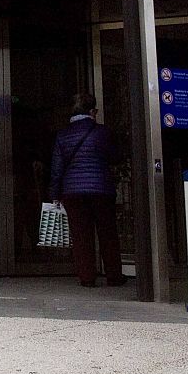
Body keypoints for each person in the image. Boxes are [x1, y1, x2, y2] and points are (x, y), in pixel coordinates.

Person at [49, 92, 126, 288]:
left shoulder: (63, 135)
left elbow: (57, 168)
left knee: (81, 235)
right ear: (93, 111)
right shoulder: (103, 132)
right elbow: (115, 156)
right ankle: (114, 276)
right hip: (101, 189)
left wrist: (55, 194)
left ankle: (87, 278)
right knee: (108, 233)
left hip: (73, 191)